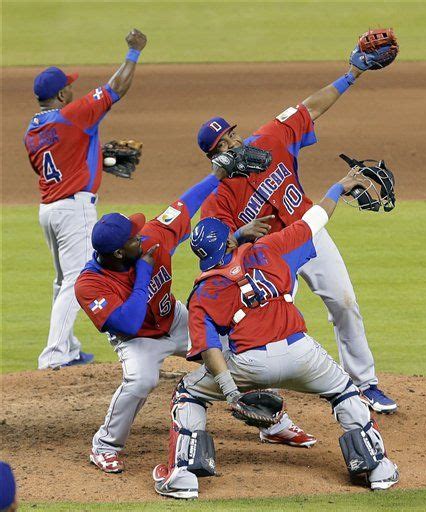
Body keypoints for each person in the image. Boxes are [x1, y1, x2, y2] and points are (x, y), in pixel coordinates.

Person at [152, 169, 399, 499]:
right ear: (230, 240)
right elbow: (314, 220)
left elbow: (210, 349)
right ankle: (378, 468)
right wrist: (339, 187)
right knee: (344, 390)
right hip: (303, 355)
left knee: (188, 393)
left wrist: (230, 392)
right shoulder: (267, 250)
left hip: (249, 366)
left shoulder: (203, 293)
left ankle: (183, 475)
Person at [196, 38, 397, 414]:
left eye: (234, 133)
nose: (236, 141)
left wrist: (352, 74)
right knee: (267, 328)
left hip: (309, 230)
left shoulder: (270, 137)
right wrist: (239, 235)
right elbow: (211, 250)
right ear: (215, 156)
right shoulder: (217, 197)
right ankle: (262, 405)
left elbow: (310, 108)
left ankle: (365, 383)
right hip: (270, 261)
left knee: (345, 302)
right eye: (226, 142)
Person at [74, 163, 314, 474]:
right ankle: (105, 445)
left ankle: (272, 423)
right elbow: (130, 323)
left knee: (237, 348)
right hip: (137, 340)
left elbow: (185, 204)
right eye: (134, 237)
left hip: (173, 319)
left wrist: (218, 174)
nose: (141, 235)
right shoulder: (90, 285)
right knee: (141, 381)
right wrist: (145, 271)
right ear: (119, 253)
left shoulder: (152, 237)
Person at [24, 29, 147, 370]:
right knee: (76, 278)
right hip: (72, 209)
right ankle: (54, 355)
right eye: (69, 86)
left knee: (61, 279)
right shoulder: (72, 115)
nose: (73, 89)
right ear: (62, 94)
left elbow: (54, 164)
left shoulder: (32, 132)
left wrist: (92, 157)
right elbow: (115, 89)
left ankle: (68, 347)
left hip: (48, 209)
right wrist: (134, 52)